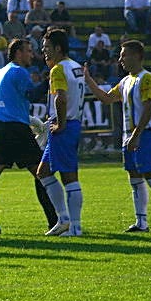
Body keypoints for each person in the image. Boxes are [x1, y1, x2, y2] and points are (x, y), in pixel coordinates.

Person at [0, 38, 57, 234]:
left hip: (2, 129)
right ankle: (55, 221)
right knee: (42, 173)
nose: (32, 54)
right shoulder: (19, 71)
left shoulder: (1, 72)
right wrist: (50, 80)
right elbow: (32, 95)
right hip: (17, 131)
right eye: (28, 51)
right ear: (18, 53)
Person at [84, 40, 151, 233]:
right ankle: (141, 222)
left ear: (138, 56)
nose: (120, 59)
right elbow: (107, 98)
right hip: (130, 136)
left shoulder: (146, 78)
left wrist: (136, 134)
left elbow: (148, 107)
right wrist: (89, 81)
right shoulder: (125, 81)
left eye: (124, 55)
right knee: (134, 178)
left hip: (146, 135)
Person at [37, 28, 85, 237]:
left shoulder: (58, 69)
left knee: (69, 177)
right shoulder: (75, 67)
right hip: (70, 123)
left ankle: (75, 226)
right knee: (43, 172)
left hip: (64, 125)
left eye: (47, 47)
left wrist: (61, 124)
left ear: (58, 48)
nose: (44, 51)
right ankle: (64, 220)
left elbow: (61, 98)